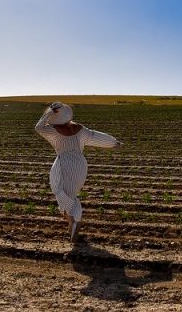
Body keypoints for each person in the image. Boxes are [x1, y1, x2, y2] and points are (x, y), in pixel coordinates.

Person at [35, 101, 121, 242]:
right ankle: (72, 225)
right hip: (80, 165)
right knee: (70, 193)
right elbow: (95, 136)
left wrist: (47, 114)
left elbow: (38, 128)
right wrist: (113, 142)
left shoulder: (52, 132)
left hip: (64, 163)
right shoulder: (80, 129)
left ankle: (75, 217)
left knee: (58, 190)